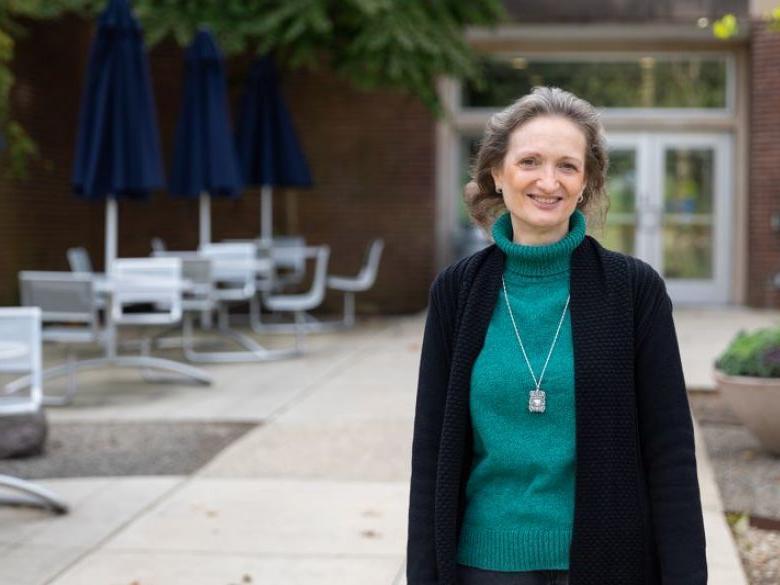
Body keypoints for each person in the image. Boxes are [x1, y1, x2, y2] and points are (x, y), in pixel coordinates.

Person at [406, 86, 707, 585]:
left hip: (609, 562)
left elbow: (670, 450)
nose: (549, 181)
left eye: (567, 166)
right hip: (483, 564)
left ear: (586, 182)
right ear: (496, 176)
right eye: (529, 162)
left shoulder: (634, 291)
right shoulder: (457, 292)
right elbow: (431, 452)